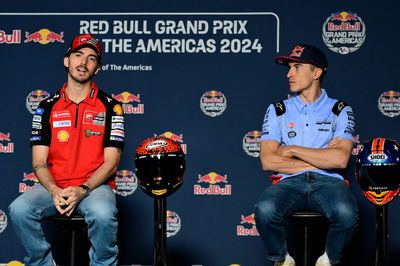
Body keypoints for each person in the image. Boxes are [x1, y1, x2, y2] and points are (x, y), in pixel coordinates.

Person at [9, 33, 125, 266]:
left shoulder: (112, 107)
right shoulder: (46, 107)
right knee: (19, 209)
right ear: (67, 60)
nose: (83, 63)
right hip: (56, 187)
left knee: (102, 214)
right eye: (78, 55)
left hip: (95, 188)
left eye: (91, 59)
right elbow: (39, 161)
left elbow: (111, 162)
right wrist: (53, 189)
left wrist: (82, 189)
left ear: (97, 68)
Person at [254, 44, 358, 266]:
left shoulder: (340, 109)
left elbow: (340, 160)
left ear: (316, 72)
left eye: (297, 67)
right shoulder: (278, 109)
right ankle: (282, 259)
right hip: (289, 182)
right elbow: (268, 160)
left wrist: (291, 150)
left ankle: (328, 260)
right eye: (290, 67)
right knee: (264, 210)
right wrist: (322, 157)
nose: (289, 73)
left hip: (329, 182)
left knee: (346, 214)